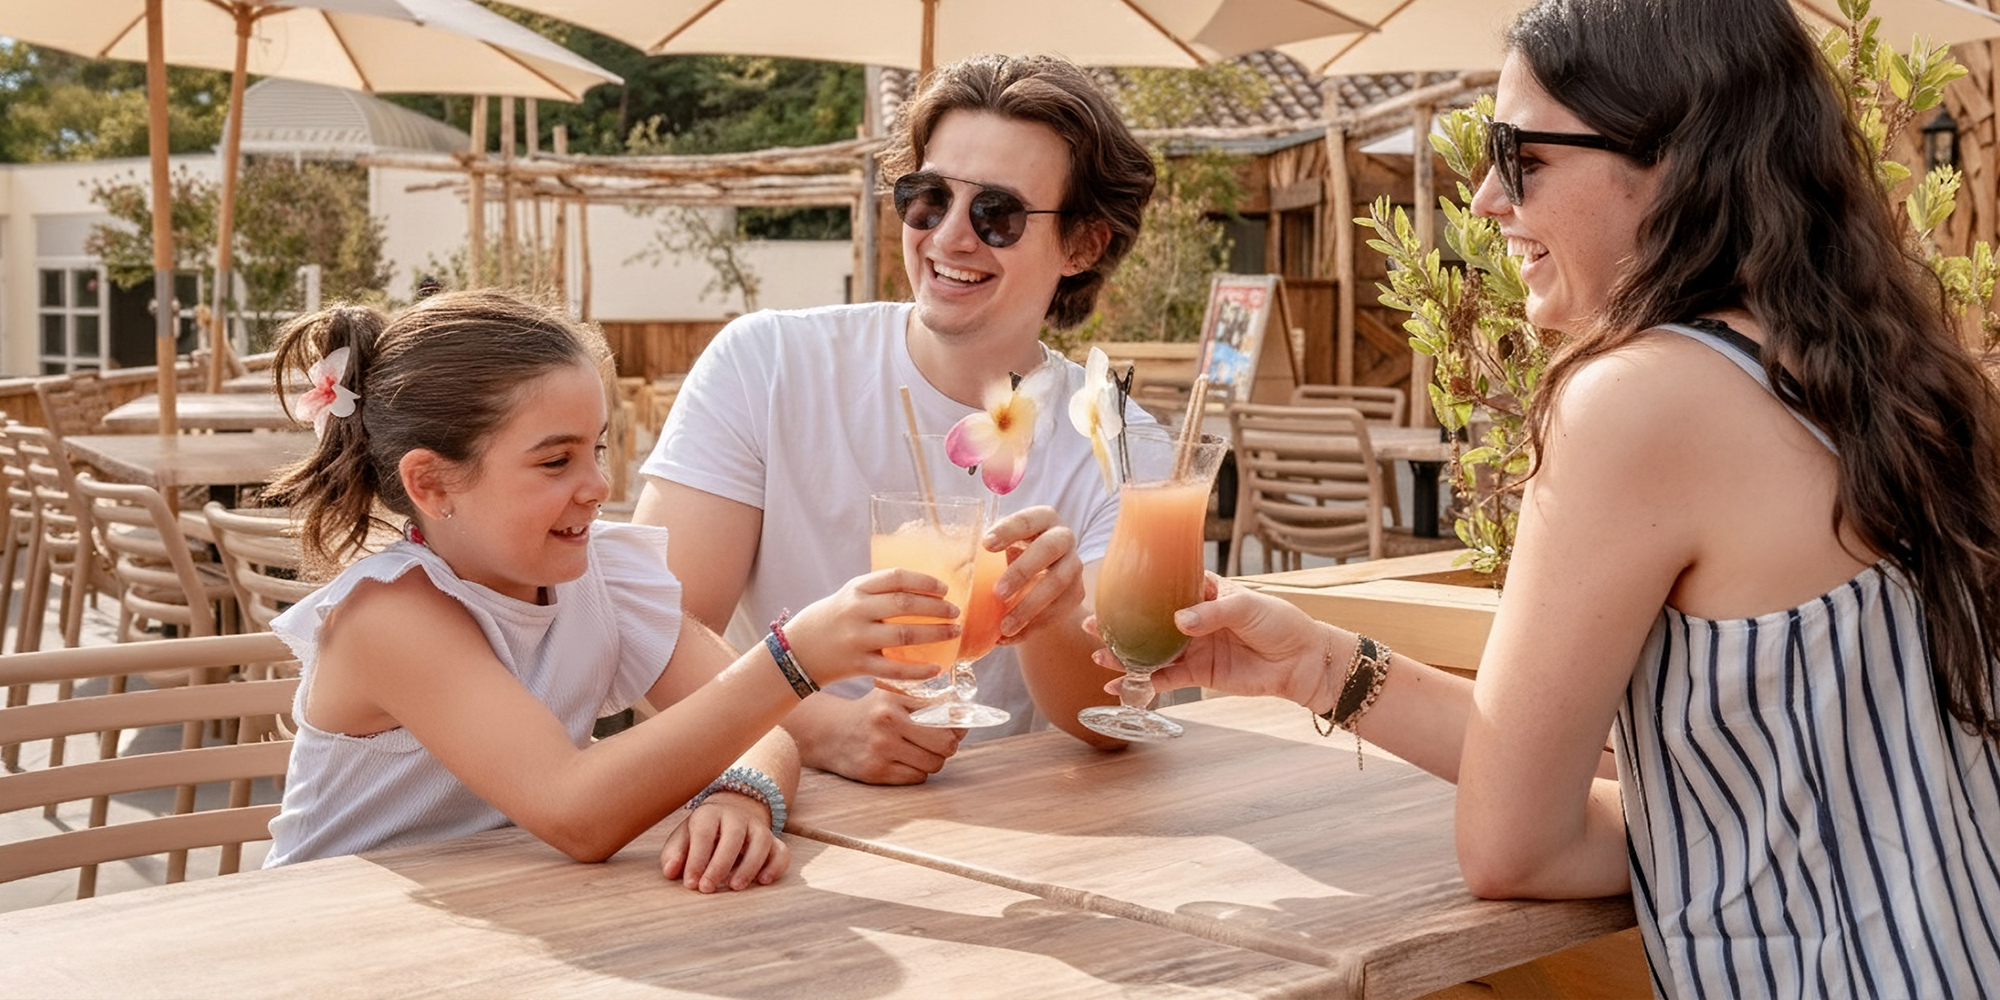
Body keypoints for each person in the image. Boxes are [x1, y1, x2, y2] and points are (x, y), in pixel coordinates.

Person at [1131, 1, 2000, 994]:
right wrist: (1314, 666)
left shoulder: (1639, 399)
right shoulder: (1866, 380)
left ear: (1673, 157)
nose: (1487, 198)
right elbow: (1795, 796)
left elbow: (1515, 848)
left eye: (1519, 154)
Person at [256, 290, 958, 893]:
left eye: (595, 449)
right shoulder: (392, 617)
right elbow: (576, 812)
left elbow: (757, 731)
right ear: (432, 484)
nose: (598, 486)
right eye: (556, 460)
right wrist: (795, 657)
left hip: (501, 921)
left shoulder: (601, 577)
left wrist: (741, 793)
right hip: (330, 941)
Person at [634, 54, 1158, 784]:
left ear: (1083, 243)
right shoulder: (768, 363)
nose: (947, 237)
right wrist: (821, 732)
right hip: (768, 804)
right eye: (928, 196)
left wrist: (1053, 611)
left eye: (996, 213)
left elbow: (1105, 723)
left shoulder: (1123, 445)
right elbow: (654, 632)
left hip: (1010, 826)